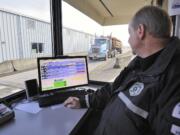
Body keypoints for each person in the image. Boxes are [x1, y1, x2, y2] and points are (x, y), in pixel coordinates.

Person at [64, 6, 180, 135]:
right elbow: (114, 89)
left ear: (140, 31)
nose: (128, 39)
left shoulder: (173, 82)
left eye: (130, 33)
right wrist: (83, 101)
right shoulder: (138, 63)